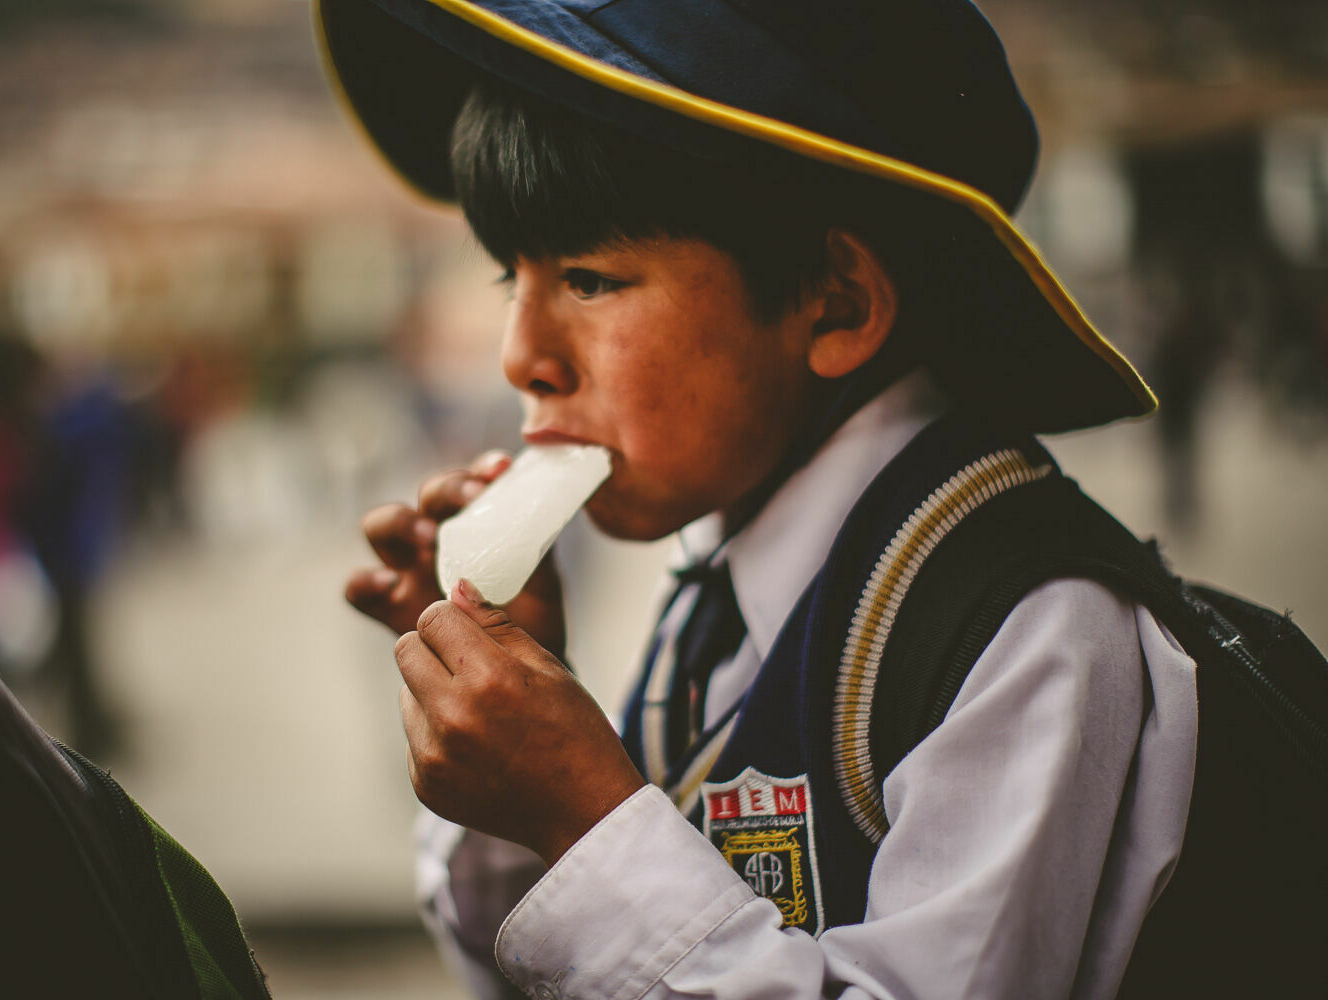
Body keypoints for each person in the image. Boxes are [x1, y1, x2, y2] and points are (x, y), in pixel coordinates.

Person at [328, 2, 1197, 997]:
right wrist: (519, 777)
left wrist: (586, 818)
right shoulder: (719, 584)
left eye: (590, 278)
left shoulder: (1024, 628)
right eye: (508, 278)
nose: (521, 356)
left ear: (836, 304)